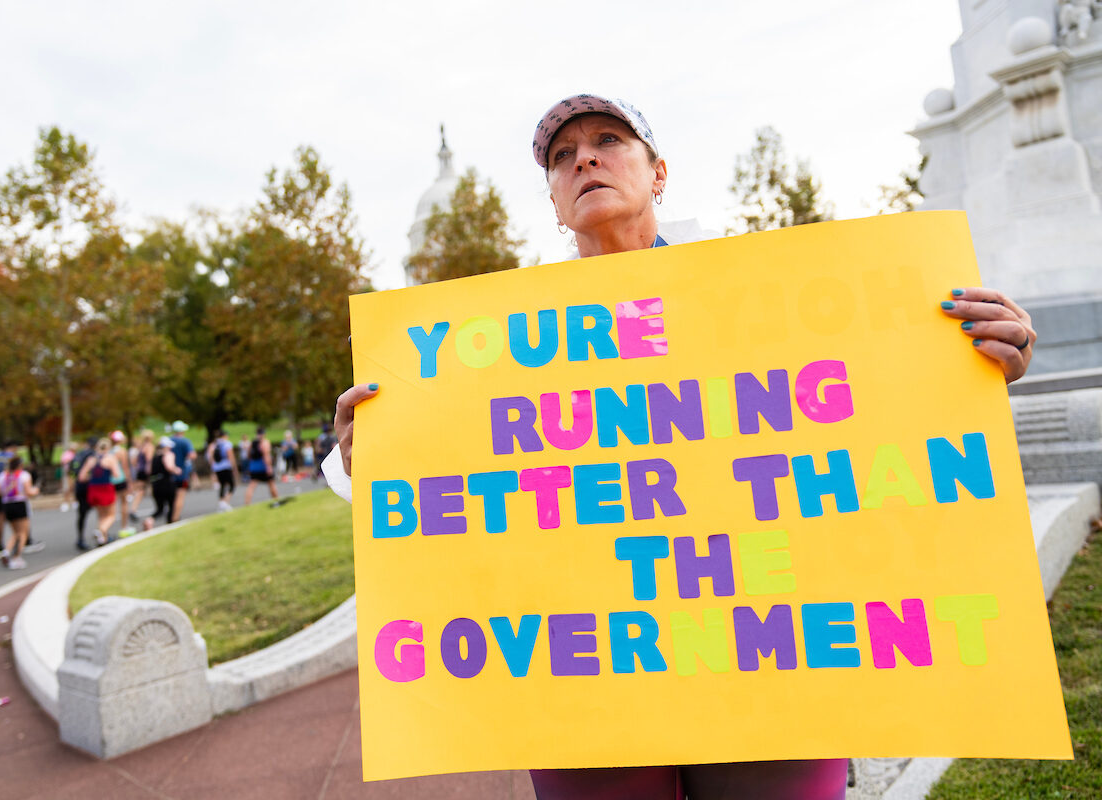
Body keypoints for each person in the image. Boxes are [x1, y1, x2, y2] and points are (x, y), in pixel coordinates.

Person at [325, 95, 1038, 800]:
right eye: (563, 157)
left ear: (658, 172)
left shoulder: (772, 292)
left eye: (608, 140)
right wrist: (379, 457)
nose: (586, 159)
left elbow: (866, 405)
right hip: (584, 678)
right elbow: (451, 492)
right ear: (551, 199)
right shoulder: (484, 346)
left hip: (767, 665)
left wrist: (971, 364)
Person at [0, 456, 39, 569]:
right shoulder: (24, 475)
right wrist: (36, 490)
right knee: (23, 532)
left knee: (15, 532)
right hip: (20, 504)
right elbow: (29, 492)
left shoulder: (3, 475)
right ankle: (16, 557)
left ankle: (6, 551)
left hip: (7, 505)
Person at [77, 439, 119, 546]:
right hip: (105, 488)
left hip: (93, 488)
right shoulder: (110, 458)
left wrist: (92, 477)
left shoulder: (92, 459)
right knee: (111, 515)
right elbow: (116, 474)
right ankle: (101, 531)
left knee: (101, 515)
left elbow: (81, 477)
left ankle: (102, 539)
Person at [69, 438, 97, 550]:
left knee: (81, 513)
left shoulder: (79, 454)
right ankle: (102, 534)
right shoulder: (92, 455)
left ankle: (80, 538)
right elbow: (83, 475)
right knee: (102, 510)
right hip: (88, 487)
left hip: (79, 487)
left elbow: (72, 470)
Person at [147, 436, 180, 526]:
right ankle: (170, 524)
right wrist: (176, 470)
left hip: (156, 484)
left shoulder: (155, 457)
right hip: (166, 483)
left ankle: (149, 520)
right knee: (171, 505)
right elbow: (169, 467)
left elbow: (149, 471)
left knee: (160, 509)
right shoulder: (168, 455)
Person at [243, 426, 279, 505]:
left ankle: (247, 504)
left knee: (251, 486)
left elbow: (248, 455)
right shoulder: (265, 442)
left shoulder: (252, 443)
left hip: (253, 467)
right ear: (264, 433)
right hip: (263, 467)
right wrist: (269, 467)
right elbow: (266, 455)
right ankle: (276, 500)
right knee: (271, 484)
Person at [169, 421, 195, 524]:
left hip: (169, 474)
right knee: (180, 496)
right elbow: (192, 455)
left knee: (172, 497)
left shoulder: (168, 441)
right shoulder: (185, 442)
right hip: (181, 473)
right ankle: (175, 519)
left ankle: (171, 515)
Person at [129, 429, 155, 521]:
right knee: (142, 490)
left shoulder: (141, 447)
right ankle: (133, 509)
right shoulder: (149, 446)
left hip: (140, 470)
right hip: (145, 471)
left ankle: (133, 509)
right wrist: (150, 470)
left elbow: (134, 461)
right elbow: (149, 460)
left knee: (139, 490)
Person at [109, 430, 133, 530]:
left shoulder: (110, 451)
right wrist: (130, 481)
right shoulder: (121, 451)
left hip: (110, 480)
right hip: (120, 479)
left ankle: (105, 527)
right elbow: (125, 467)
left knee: (112, 504)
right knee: (124, 503)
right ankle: (124, 527)